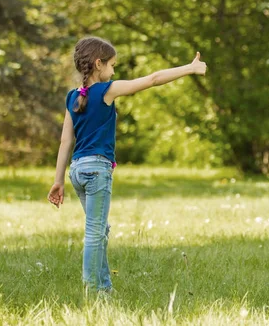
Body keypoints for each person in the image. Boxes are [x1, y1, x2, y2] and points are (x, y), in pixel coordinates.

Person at [47, 36, 207, 296]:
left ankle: (104, 288)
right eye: (112, 65)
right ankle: (92, 290)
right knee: (95, 232)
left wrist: (59, 180)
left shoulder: (72, 97)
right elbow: (153, 79)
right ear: (98, 64)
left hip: (77, 170)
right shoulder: (106, 90)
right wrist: (189, 68)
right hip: (97, 170)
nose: (113, 71)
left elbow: (66, 140)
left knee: (101, 229)